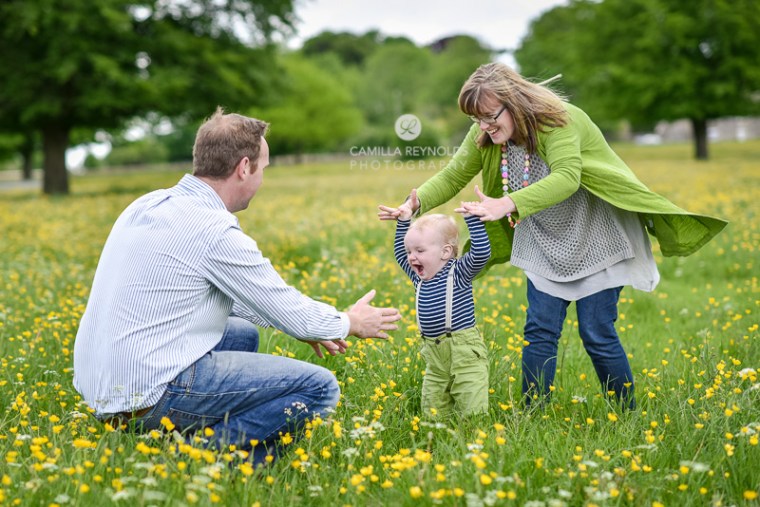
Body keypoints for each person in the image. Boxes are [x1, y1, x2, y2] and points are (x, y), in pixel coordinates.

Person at [379, 63, 726, 409]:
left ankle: (627, 411)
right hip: (544, 238)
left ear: (513, 103)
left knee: (597, 332)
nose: (483, 126)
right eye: (475, 119)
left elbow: (567, 177)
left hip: (596, 235)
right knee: (539, 332)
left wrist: (507, 203)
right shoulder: (485, 134)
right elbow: (454, 175)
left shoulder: (559, 121)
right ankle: (532, 414)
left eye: (488, 116)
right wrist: (414, 204)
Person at [73, 107, 401, 466]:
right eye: (264, 168)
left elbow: (234, 297)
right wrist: (349, 322)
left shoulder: (147, 204)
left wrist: (302, 325)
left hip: (103, 390)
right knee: (318, 387)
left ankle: (209, 448)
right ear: (244, 167)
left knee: (242, 336)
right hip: (146, 395)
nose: (262, 180)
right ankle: (196, 459)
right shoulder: (213, 229)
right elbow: (284, 305)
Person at [379, 192, 491, 417]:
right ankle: (436, 441)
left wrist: (473, 220)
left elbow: (481, 253)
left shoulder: (458, 272)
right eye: (411, 251)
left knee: (472, 408)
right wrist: (404, 221)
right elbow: (400, 254)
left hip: (464, 352)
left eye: (420, 251)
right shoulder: (418, 277)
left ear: (445, 252)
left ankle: (474, 439)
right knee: (432, 409)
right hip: (434, 356)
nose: (412, 257)